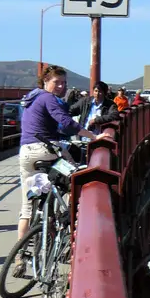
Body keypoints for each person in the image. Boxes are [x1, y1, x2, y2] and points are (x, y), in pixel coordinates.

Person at [18, 65, 104, 244]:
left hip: (26, 152)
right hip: (46, 150)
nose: (61, 86)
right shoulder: (48, 98)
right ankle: (66, 220)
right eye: (56, 82)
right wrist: (93, 136)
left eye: (64, 83)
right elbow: (65, 122)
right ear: (45, 82)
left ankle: (20, 256)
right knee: (75, 175)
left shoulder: (31, 98)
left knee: (26, 207)